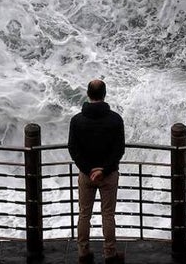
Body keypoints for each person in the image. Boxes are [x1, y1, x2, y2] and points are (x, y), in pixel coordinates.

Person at [67, 79, 126, 264]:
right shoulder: (115, 119)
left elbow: (73, 149)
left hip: (86, 175)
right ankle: (110, 254)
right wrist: (103, 170)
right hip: (108, 175)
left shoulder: (77, 120)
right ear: (104, 94)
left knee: (84, 214)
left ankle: (83, 253)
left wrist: (88, 170)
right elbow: (119, 150)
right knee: (108, 215)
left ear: (88, 94)